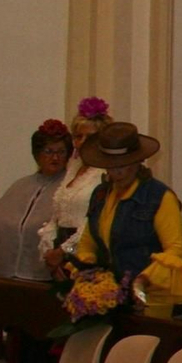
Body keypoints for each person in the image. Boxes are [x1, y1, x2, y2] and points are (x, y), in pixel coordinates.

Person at [70, 122, 182, 318]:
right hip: (111, 299)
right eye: (111, 166)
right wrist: (88, 273)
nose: (117, 172)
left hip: (149, 299)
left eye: (123, 165)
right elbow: (88, 241)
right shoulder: (101, 194)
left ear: (138, 161)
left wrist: (143, 281)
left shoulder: (158, 196)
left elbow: (175, 250)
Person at [0, 120, 71, 280]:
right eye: (49, 151)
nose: (55, 157)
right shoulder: (21, 185)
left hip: (45, 276)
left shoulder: (69, 188)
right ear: (37, 154)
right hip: (6, 276)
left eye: (61, 152)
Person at [39, 96, 112, 271]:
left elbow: (95, 224)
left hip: (88, 256)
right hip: (60, 255)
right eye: (78, 136)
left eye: (90, 137)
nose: (82, 142)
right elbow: (56, 217)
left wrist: (65, 253)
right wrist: (49, 251)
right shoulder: (73, 168)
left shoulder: (105, 173)